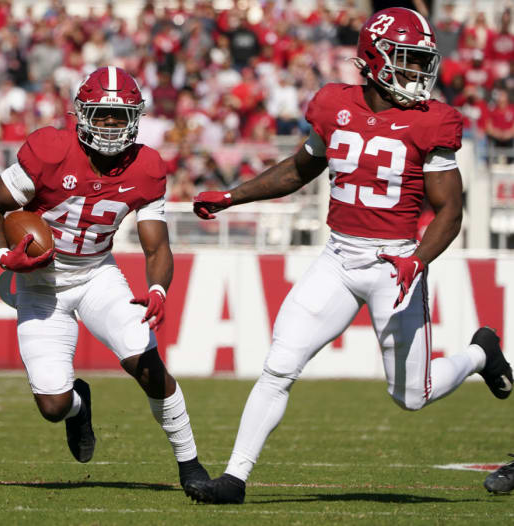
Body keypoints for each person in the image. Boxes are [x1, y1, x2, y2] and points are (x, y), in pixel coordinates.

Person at [185, 7, 513, 504]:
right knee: (280, 364)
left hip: (395, 264)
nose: (417, 72)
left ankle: (479, 353)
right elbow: (299, 170)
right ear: (374, 59)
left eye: (421, 61)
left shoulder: (432, 121)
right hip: (338, 259)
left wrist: (418, 260)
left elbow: (450, 211)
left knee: (412, 396)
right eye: (406, 59)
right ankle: (234, 478)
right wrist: (233, 196)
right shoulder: (333, 103)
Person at [0, 66, 209, 491]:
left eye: (121, 116)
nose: (111, 124)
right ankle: (78, 407)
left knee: (146, 363)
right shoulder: (50, 150)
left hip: (96, 275)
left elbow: (157, 246)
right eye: (102, 114)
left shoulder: (146, 167)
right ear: (82, 113)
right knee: (53, 405)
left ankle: (191, 466)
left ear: (136, 118)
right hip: (41, 285)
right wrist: (5, 256)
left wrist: (158, 288)